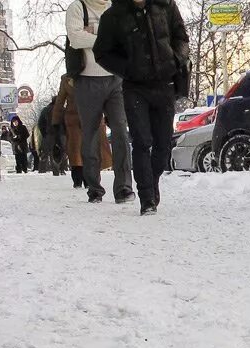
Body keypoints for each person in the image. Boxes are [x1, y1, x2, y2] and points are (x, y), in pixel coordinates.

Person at [94, 0, 189, 215]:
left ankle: (151, 181)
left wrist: (175, 59)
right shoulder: (114, 15)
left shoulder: (165, 6)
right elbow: (102, 52)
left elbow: (181, 37)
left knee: (163, 145)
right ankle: (147, 198)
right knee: (142, 141)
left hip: (164, 83)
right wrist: (127, 68)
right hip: (135, 87)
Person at [66, 0, 134, 204]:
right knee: (91, 133)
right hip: (87, 80)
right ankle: (94, 188)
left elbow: (128, 38)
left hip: (116, 79)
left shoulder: (116, 8)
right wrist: (105, 39)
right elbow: (76, 38)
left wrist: (93, 34)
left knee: (121, 131)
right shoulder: (78, 8)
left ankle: (123, 188)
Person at [52, 73, 115, 189]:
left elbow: (104, 97)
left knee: (92, 148)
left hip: (93, 116)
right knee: (76, 150)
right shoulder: (66, 79)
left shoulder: (94, 74)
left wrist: (109, 115)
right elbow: (60, 101)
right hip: (74, 119)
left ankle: (90, 180)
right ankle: (78, 179)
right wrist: (56, 121)